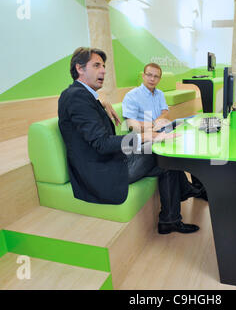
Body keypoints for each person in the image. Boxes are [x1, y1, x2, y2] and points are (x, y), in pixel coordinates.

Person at [58, 47, 199, 234]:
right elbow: (102, 144)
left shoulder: (81, 94)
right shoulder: (76, 97)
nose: (103, 70)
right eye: (96, 65)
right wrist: (145, 136)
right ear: (80, 68)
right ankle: (183, 198)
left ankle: (171, 218)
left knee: (167, 160)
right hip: (102, 173)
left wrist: (102, 100)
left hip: (111, 160)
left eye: (104, 66)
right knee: (163, 154)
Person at [122, 63, 207, 200]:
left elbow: (166, 112)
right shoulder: (132, 96)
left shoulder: (159, 93)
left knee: (191, 122)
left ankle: (193, 186)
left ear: (159, 79)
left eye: (156, 76)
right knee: (175, 149)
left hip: (160, 128)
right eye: (149, 75)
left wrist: (158, 122)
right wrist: (152, 125)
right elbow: (131, 124)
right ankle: (190, 189)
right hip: (145, 136)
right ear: (143, 76)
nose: (152, 79)